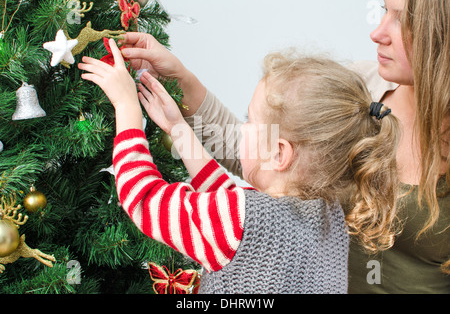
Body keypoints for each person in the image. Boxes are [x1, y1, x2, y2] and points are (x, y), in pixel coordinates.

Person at [116, 0, 449, 293]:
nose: (377, 32)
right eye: (383, 10)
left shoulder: (248, 216)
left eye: (401, 18)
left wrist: (127, 109)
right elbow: (246, 192)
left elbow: (146, 199)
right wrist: (179, 120)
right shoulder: (356, 97)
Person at [78, 40, 401, 293]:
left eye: (249, 121)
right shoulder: (326, 215)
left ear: (278, 154)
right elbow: (239, 201)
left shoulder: (237, 220)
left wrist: (126, 109)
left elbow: (146, 200)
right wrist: (180, 130)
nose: (241, 129)